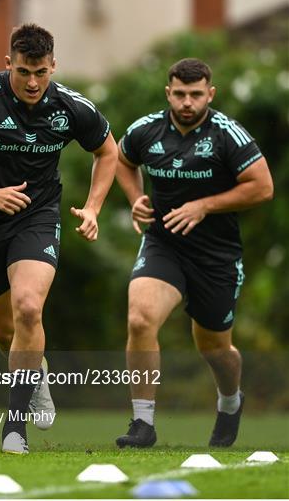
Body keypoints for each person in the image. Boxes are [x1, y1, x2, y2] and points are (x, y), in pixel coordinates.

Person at [0, 23, 118, 454]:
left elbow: (108, 150)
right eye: (24, 72)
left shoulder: (70, 106)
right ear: (8, 64)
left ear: (53, 66)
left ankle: (14, 429)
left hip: (38, 216)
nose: (33, 83)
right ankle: (38, 371)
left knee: (29, 308)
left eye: (41, 73)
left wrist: (92, 208)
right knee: (3, 330)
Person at [115, 58, 273, 448]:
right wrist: (136, 199)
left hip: (216, 255)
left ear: (210, 94)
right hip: (163, 243)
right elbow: (121, 159)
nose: (187, 102)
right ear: (168, 92)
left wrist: (205, 205)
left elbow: (262, 187)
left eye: (196, 94)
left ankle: (230, 401)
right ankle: (142, 423)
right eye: (180, 94)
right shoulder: (145, 130)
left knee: (215, 348)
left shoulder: (228, 136)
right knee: (139, 319)